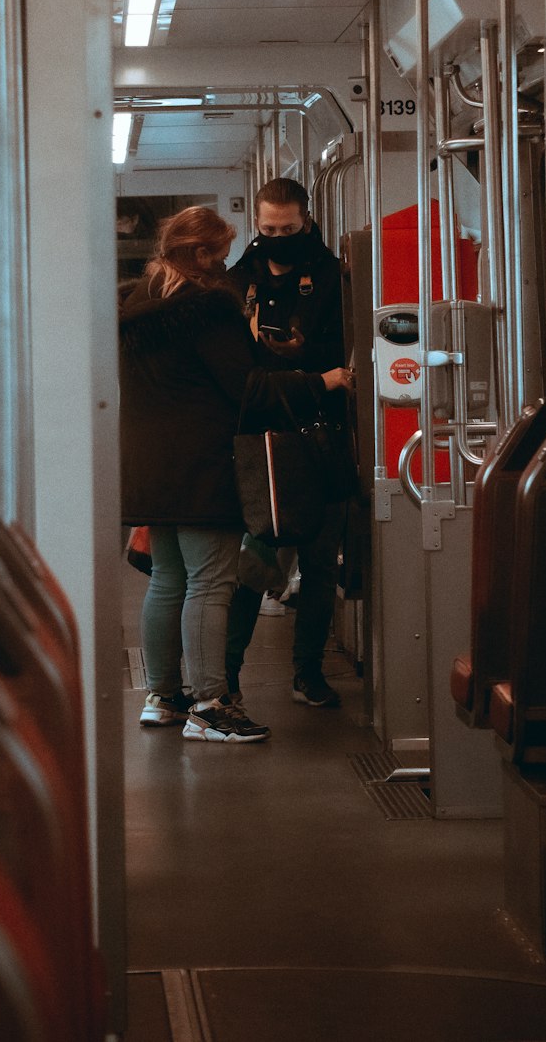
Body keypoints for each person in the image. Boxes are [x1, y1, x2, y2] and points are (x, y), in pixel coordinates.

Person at [118, 204, 353, 744]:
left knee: (169, 580)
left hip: (151, 469)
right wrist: (324, 381)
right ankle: (210, 705)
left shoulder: (136, 304)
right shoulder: (206, 309)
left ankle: (163, 696)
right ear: (198, 255)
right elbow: (247, 390)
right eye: (220, 254)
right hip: (203, 466)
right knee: (210, 582)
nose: (225, 266)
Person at [225, 177, 356, 710]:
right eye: (268, 228)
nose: (278, 236)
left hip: (324, 435)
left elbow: (347, 356)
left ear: (307, 220)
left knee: (321, 561)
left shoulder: (333, 278)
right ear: (256, 225)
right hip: (264, 442)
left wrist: (303, 356)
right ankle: (228, 676)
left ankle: (308, 671)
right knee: (255, 563)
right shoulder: (238, 282)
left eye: (288, 228)